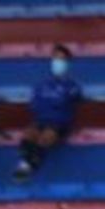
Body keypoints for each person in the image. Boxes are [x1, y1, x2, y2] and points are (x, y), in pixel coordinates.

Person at [14, 45, 83, 182]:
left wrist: (54, 106)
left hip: (60, 124)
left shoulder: (72, 85)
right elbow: (35, 105)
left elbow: (68, 104)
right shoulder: (42, 85)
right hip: (41, 121)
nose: (58, 63)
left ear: (68, 63)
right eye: (55, 59)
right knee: (28, 134)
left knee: (46, 136)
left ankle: (29, 167)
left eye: (62, 60)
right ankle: (25, 164)